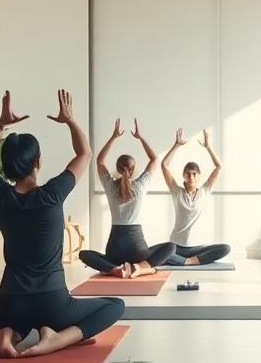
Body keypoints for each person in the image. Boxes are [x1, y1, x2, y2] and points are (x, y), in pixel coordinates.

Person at [0, 90, 124, 358]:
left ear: (8, 167)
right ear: (38, 162)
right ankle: (56, 339)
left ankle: (5, 333)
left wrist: (1, 124)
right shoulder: (52, 194)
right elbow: (84, 153)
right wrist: (69, 120)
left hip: (11, 303)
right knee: (114, 305)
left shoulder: (1, 196)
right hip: (54, 303)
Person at [79, 119, 175, 278]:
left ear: (117, 168)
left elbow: (99, 160)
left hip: (114, 250)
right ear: (133, 169)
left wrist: (113, 137)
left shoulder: (110, 186)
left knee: (84, 254)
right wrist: (140, 138)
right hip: (138, 250)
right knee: (171, 247)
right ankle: (141, 267)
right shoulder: (140, 185)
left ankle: (114, 269)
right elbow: (154, 159)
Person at [161, 127, 231, 266]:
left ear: (199, 176)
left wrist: (208, 147)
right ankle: (188, 261)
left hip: (198, 248)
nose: (191, 176)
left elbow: (219, 166)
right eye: (188, 173)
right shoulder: (177, 191)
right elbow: (164, 164)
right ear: (183, 176)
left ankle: (190, 261)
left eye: (194, 174)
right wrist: (177, 145)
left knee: (225, 248)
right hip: (177, 246)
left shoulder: (204, 191)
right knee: (162, 252)